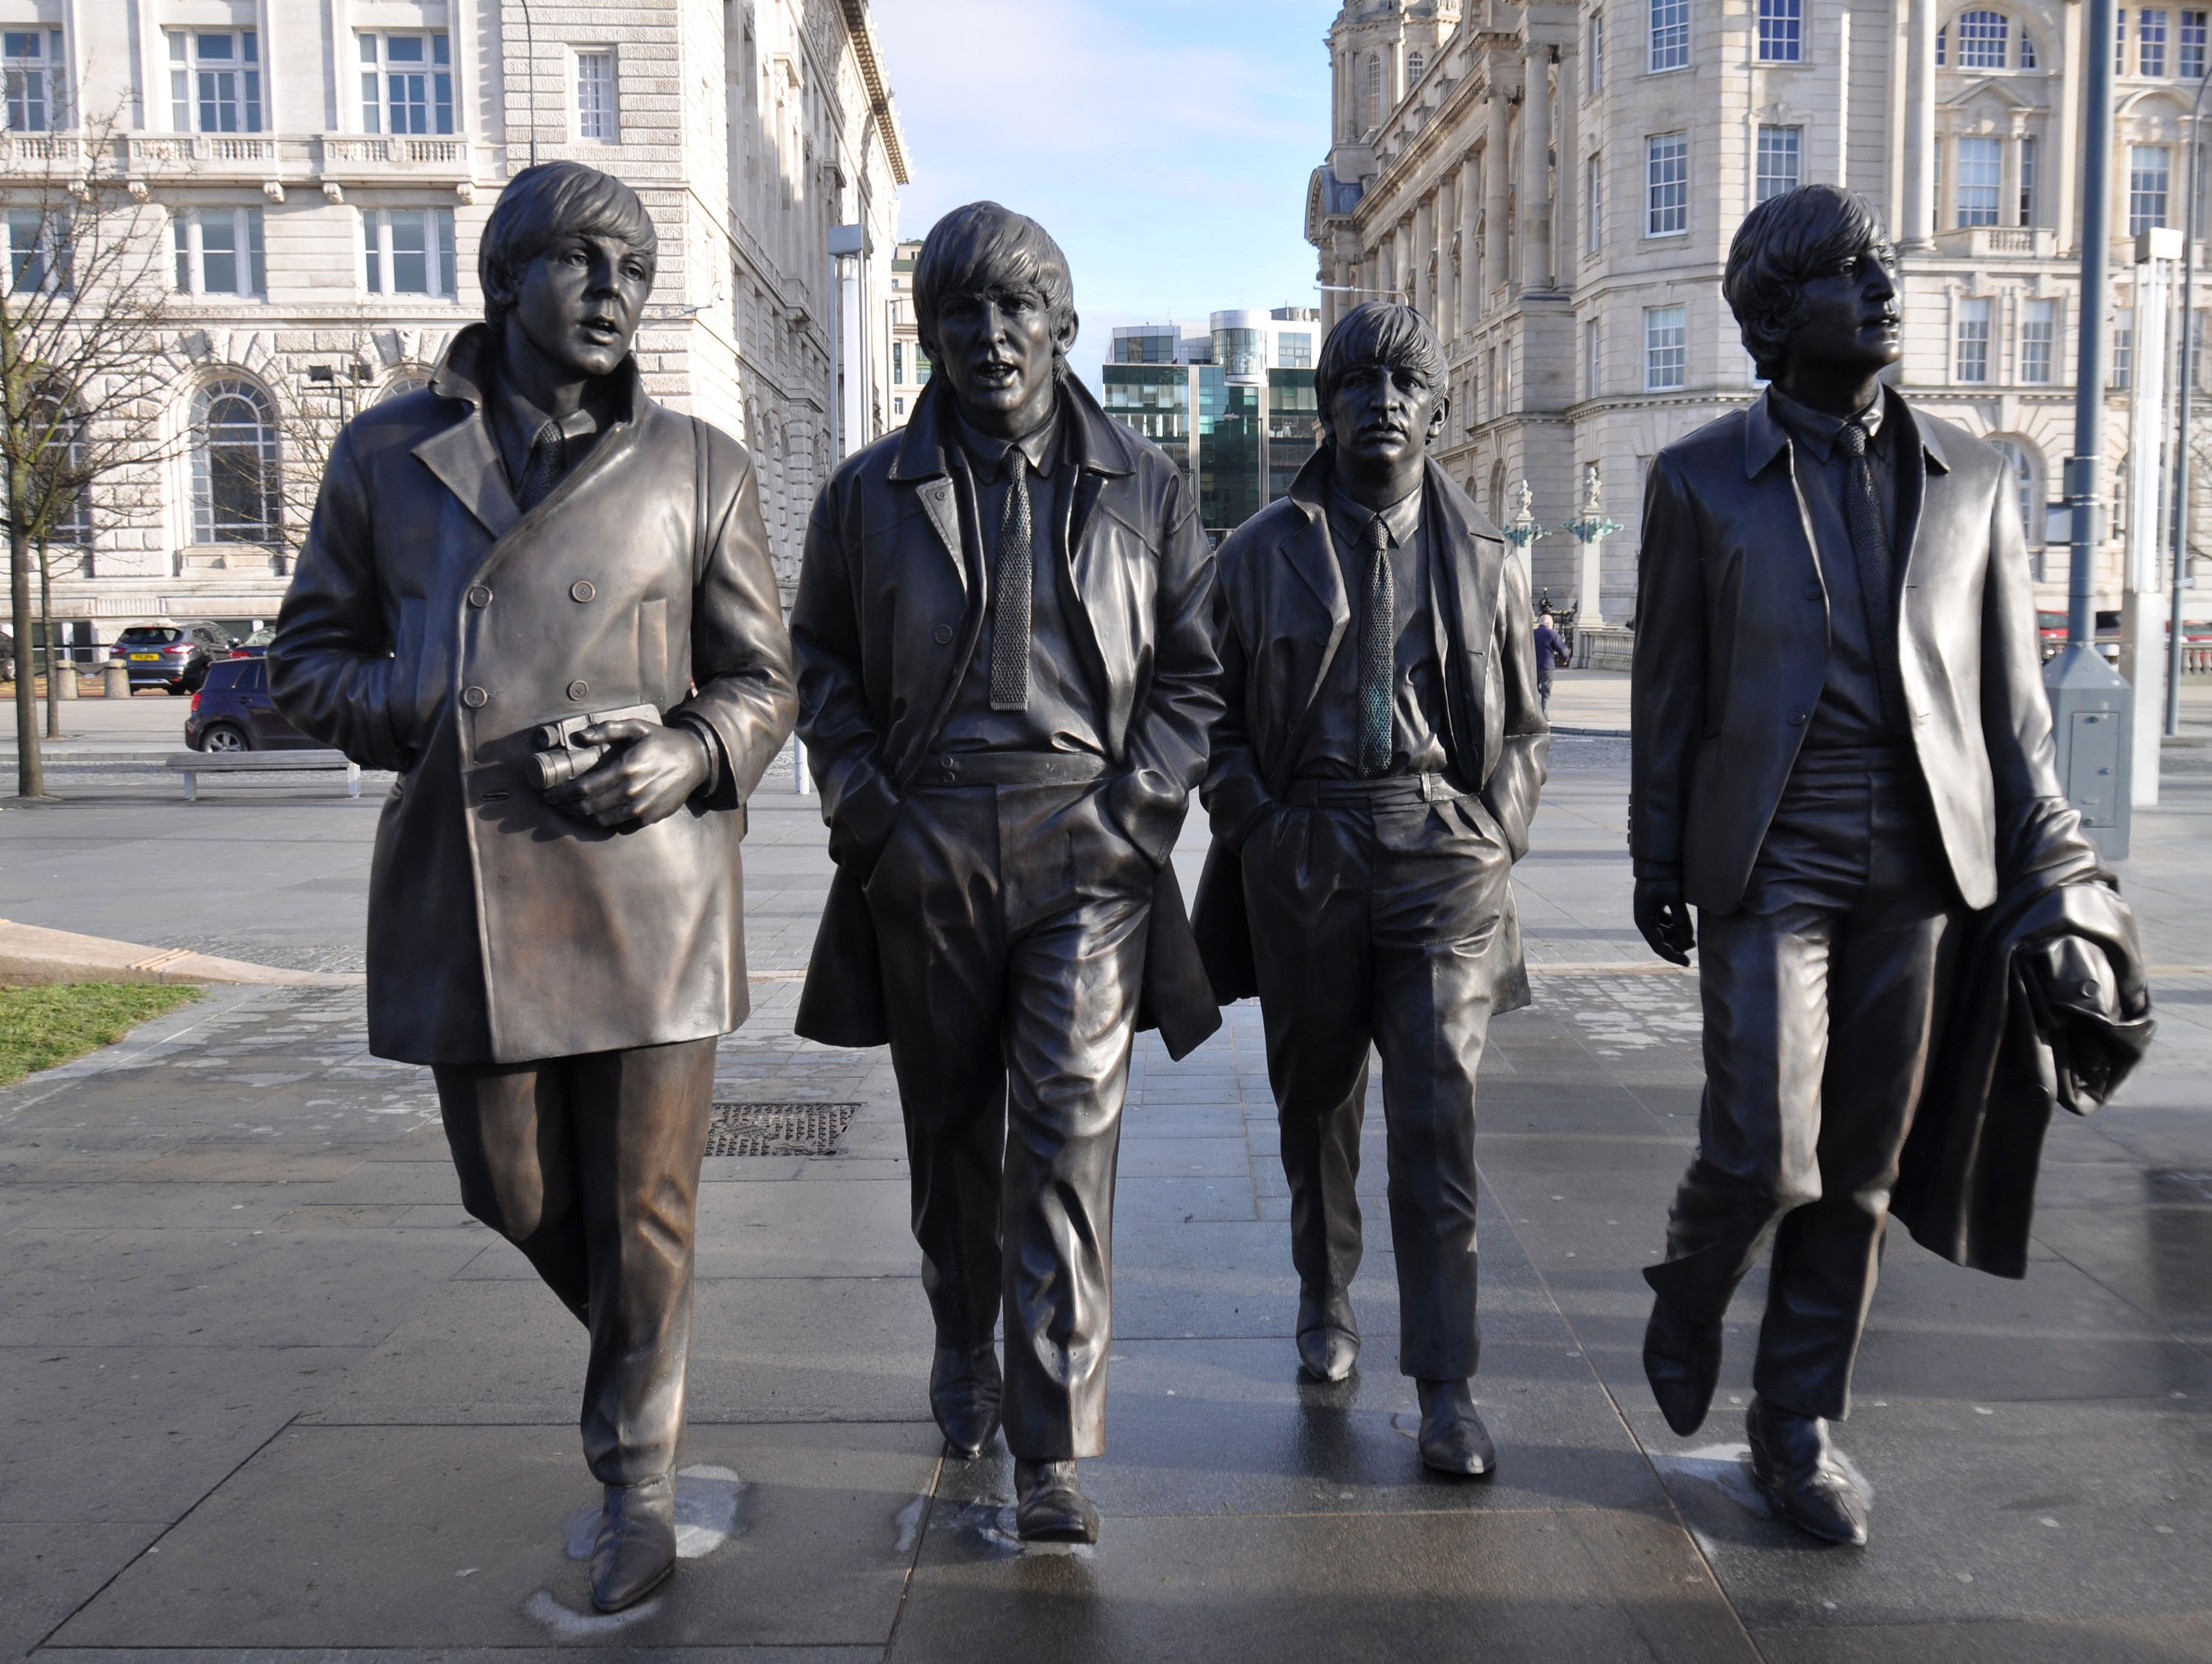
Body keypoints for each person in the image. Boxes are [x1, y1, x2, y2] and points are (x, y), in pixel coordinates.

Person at [271, 162, 796, 1612]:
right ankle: (649, 1359)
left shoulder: (700, 466)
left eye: (634, 264)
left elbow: (764, 680)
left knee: (648, 1207)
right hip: (472, 879)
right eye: (582, 261)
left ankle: (637, 1474)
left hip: (650, 885)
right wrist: (426, 693)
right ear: (507, 282)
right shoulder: (389, 455)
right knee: (505, 1185)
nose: (618, 288)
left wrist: (686, 754)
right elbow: (308, 656)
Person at [1629, 184, 2113, 1546]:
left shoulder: (1976, 474)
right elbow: (1669, 693)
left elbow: (2014, 718)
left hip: (1918, 872)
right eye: (1853, 270)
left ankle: (1795, 1427)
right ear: (1780, 315)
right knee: (1766, 1149)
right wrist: (1655, 856)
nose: (1886, 284)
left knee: (1860, 1170)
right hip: (1765, 857)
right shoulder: (1696, 479)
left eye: (1884, 263)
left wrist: (2064, 883)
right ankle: (1692, 1276)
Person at [788, 202, 1220, 1543]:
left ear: (1060, 326)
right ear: (927, 337)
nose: (989, 336)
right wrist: (872, 818)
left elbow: (1197, 676)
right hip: (927, 843)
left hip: (1084, 846)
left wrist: (1131, 812)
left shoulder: (1145, 486)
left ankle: (1052, 1442)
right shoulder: (865, 494)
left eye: (1015, 308)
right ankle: (961, 1339)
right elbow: (820, 670)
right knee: (951, 1140)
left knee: (1066, 1138)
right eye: (960, 313)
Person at [1190, 302, 1550, 1477]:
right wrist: (1257, 824)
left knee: (1437, 1117)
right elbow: (1208, 712)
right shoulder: (1254, 553)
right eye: (1357, 383)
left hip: (1438, 856)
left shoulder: (1487, 559)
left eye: (1404, 383)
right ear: (1324, 406)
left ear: (1435, 406)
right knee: (1316, 1107)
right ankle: (1323, 1289)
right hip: (1306, 856)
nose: (1381, 403)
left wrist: (1493, 830)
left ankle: (1445, 1384)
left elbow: (1523, 729)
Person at [1532, 611, 1570, 708]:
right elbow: (1563, 649)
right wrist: (1565, 659)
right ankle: (1545, 716)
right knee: (1546, 693)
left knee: (1534, 692)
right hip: (1548, 667)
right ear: (1549, 624)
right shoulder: (1552, 634)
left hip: (1534, 666)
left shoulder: (1533, 634)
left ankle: (1536, 714)